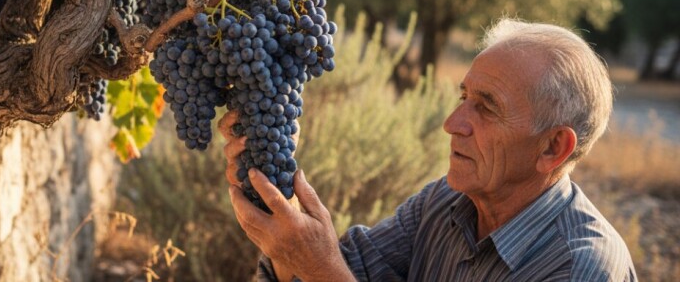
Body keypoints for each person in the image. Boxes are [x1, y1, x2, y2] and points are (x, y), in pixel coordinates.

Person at [218, 18, 637, 281]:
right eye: (463, 98)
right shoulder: (446, 203)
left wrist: (318, 267)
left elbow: (327, 272)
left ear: (552, 147)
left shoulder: (580, 268)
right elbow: (343, 270)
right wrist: (277, 192)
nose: (452, 124)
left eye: (487, 109)